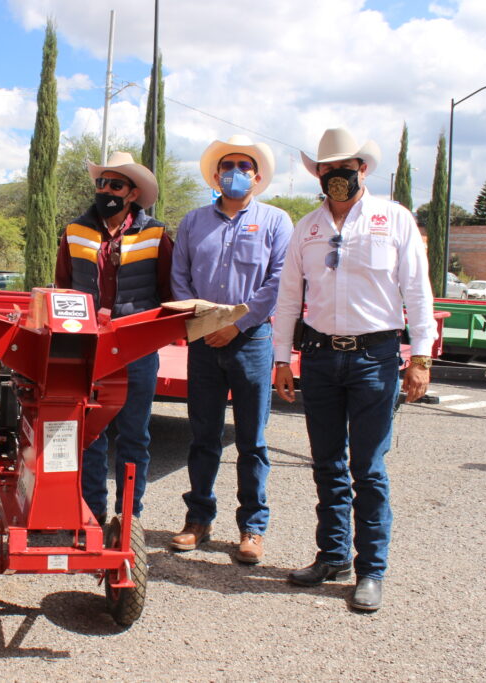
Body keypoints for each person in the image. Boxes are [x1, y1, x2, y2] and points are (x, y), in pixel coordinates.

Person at [272, 127, 435, 611]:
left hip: (375, 358)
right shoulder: (307, 227)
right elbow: (287, 299)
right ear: (318, 174)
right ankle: (333, 556)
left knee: (367, 467)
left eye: (343, 165)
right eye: (325, 167)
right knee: (326, 465)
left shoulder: (394, 219)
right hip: (320, 357)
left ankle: (371, 571)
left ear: (362, 168)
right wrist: (283, 357)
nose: (334, 174)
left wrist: (421, 357)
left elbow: (417, 291)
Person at [168, 135, 294, 564]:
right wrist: (205, 326)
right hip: (204, 344)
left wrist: (236, 324)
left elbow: (278, 282)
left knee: (251, 441)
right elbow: (179, 277)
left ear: (257, 177)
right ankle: (198, 518)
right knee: (202, 437)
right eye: (228, 165)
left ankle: (252, 528)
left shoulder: (277, 222)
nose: (235, 172)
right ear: (216, 175)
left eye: (244, 166)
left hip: (252, 342)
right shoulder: (193, 222)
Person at [54, 151, 173, 524]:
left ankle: (128, 517)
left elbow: (167, 291)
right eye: (101, 183)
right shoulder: (75, 231)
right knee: (91, 435)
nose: (105, 190)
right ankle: (92, 512)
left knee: (134, 435)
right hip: (88, 348)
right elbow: (64, 286)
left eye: (115, 185)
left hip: (136, 348)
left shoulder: (155, 234)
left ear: (133, 193)